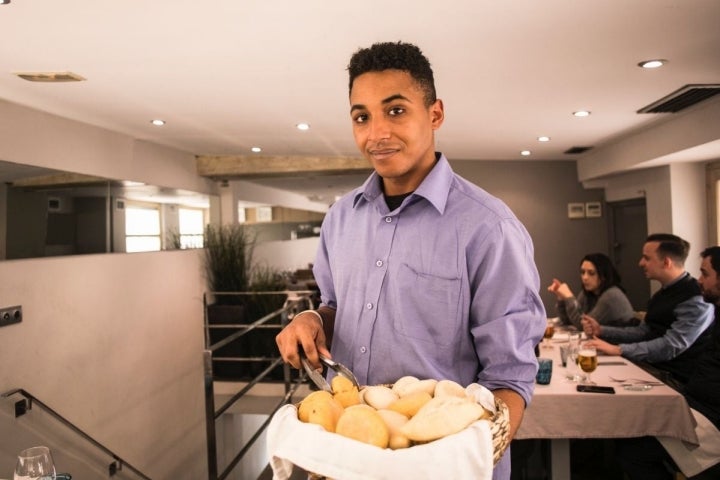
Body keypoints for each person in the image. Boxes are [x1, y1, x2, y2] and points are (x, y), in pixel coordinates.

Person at [275, 41, 546, 479]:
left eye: (396, 111)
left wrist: (463, 461)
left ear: (435, 114)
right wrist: (310, 318)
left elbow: (511, 378)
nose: (376, 133)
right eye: (362, 116)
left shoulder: (489, 227)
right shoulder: (340, 218)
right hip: (344, 457)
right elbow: (334, 306)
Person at [616, 246, 720, 480]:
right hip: (692, 399)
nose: (699, 280)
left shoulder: (696, 301)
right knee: (629, 422)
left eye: (705, 273)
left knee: (634, 449)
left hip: (707, 413)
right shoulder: (666, 296)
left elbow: (670, 346)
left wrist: (619, 349)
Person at [582, 233, 714, 386]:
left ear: (666, 262)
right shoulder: (662, 293)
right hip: (652, 368)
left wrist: (619, 350)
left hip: (673, 378)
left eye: (647, 258)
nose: (640, 263)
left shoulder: (695, 298)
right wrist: (602, 331)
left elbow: (671, 346)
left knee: (597, 381)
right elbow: (643, 332)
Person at [548, 252, 636, 330]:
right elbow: (569, 321)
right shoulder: (588, 292)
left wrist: (569, 297)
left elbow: (582, 326)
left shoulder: (612, 295)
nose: (585, 277)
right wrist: (562, 299)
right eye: (582, 272)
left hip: (619, 345)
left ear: (603, 276)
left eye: (591, 273)